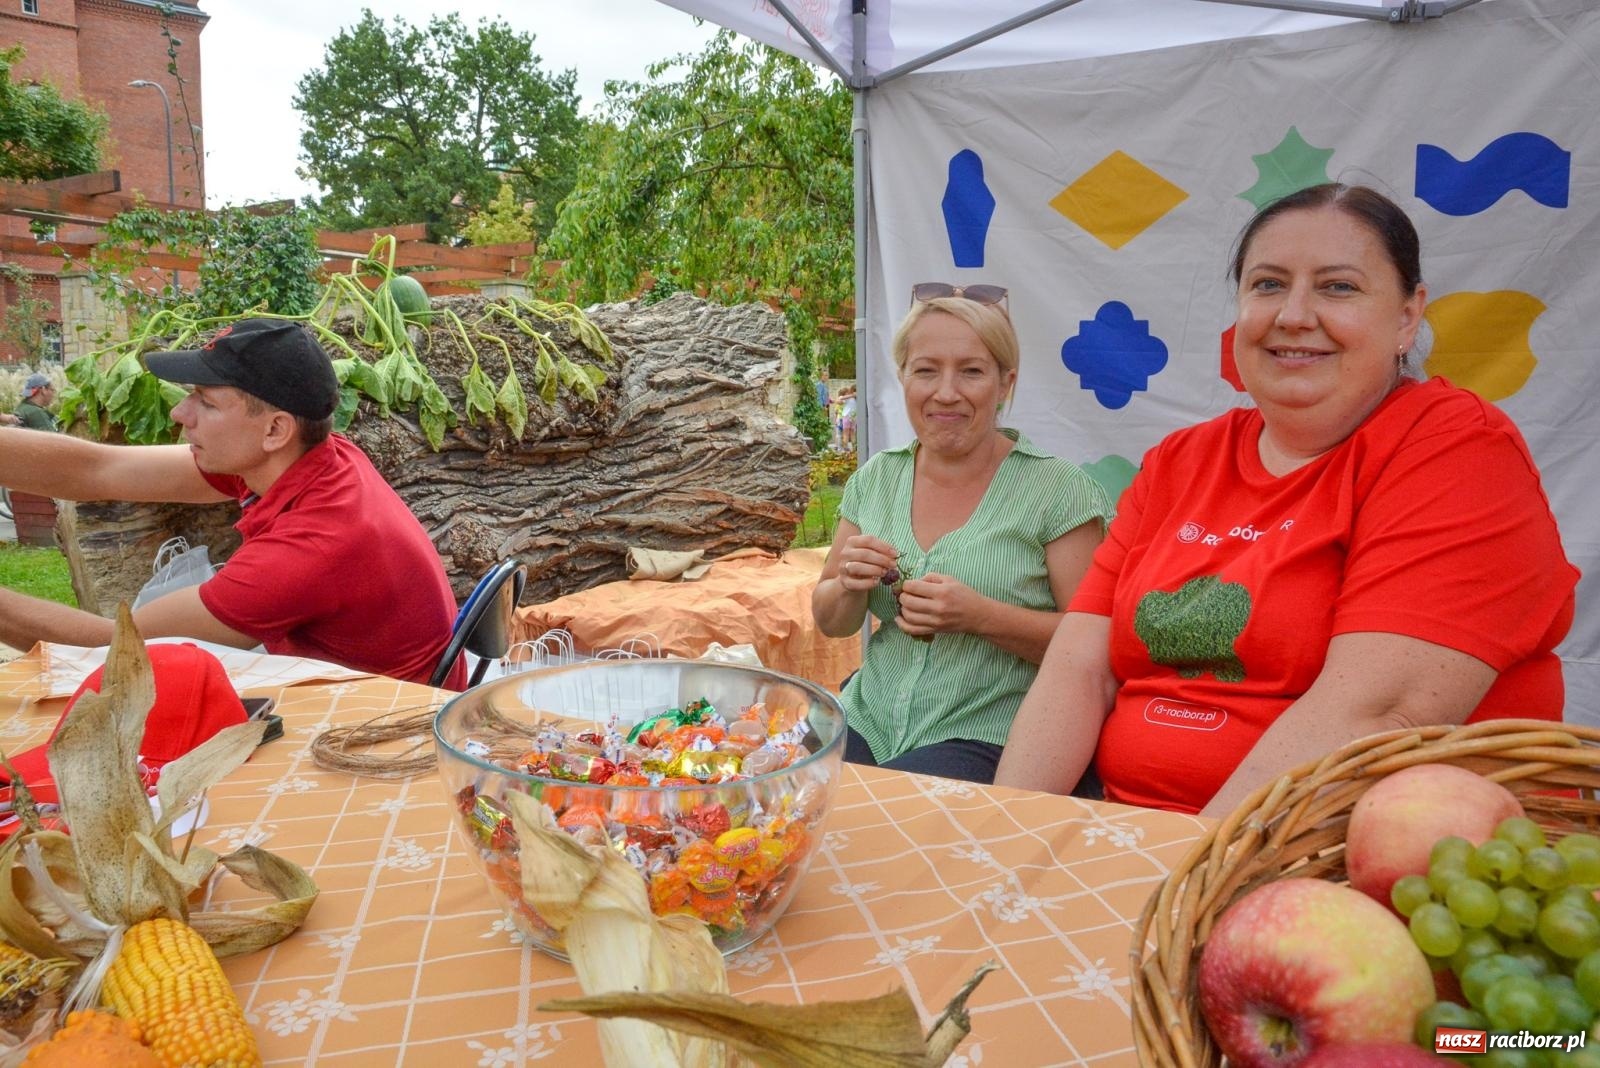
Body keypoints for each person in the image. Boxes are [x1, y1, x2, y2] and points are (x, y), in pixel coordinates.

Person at [996, 183, 1579, 817]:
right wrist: (1005, 835)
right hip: (1137, 835)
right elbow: (1078, 671)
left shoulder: (1455, 448)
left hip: (1351, 858)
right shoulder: (1180, 461)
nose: (1293, 315)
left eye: (1338, 287)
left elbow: (1374, 714)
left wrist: (1186, 877)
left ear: (1409, 315)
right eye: (1268, 284)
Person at [0, 318, 467, 689]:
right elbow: (99, 470)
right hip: (361, 688)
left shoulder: (308, 549)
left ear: (274, 430)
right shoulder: (310, 458)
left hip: (389, 733)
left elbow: (115, 647)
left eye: (205, 401)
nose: (179, 414)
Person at [812, 283, 1113, 783]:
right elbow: (831, 621)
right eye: (926, 370)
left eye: (971, 371)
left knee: (883, 827)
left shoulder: (1059, 491)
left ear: (1004, 383)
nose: (945, 392)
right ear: (903, 377)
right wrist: (847, 584)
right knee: (781, 803)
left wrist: (982, 616)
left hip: (990, 734)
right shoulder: (877, 478)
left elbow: (1096, 649)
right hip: (868, 717)